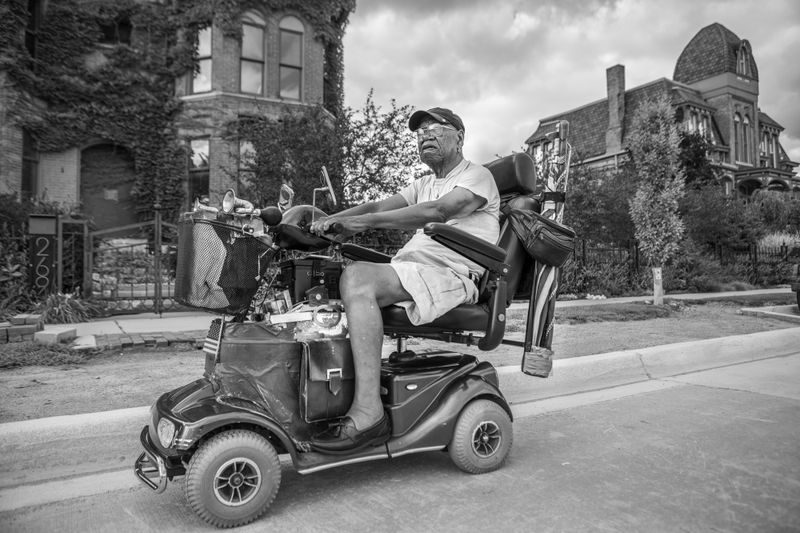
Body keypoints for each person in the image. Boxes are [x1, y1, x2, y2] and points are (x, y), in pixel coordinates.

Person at [309, 107, 500, 453]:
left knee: (358, 280)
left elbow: (438, 212)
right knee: (322, 279)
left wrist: (361, 225)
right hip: (414, 270)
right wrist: (325, 221)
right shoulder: (424, 183)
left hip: (451, 275)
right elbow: (377, 206)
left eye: (436, 128)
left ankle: (369, 413)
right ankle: (329, 395)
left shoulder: (477, 176)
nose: (425, 134)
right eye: (420, 131)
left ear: (459, 137)